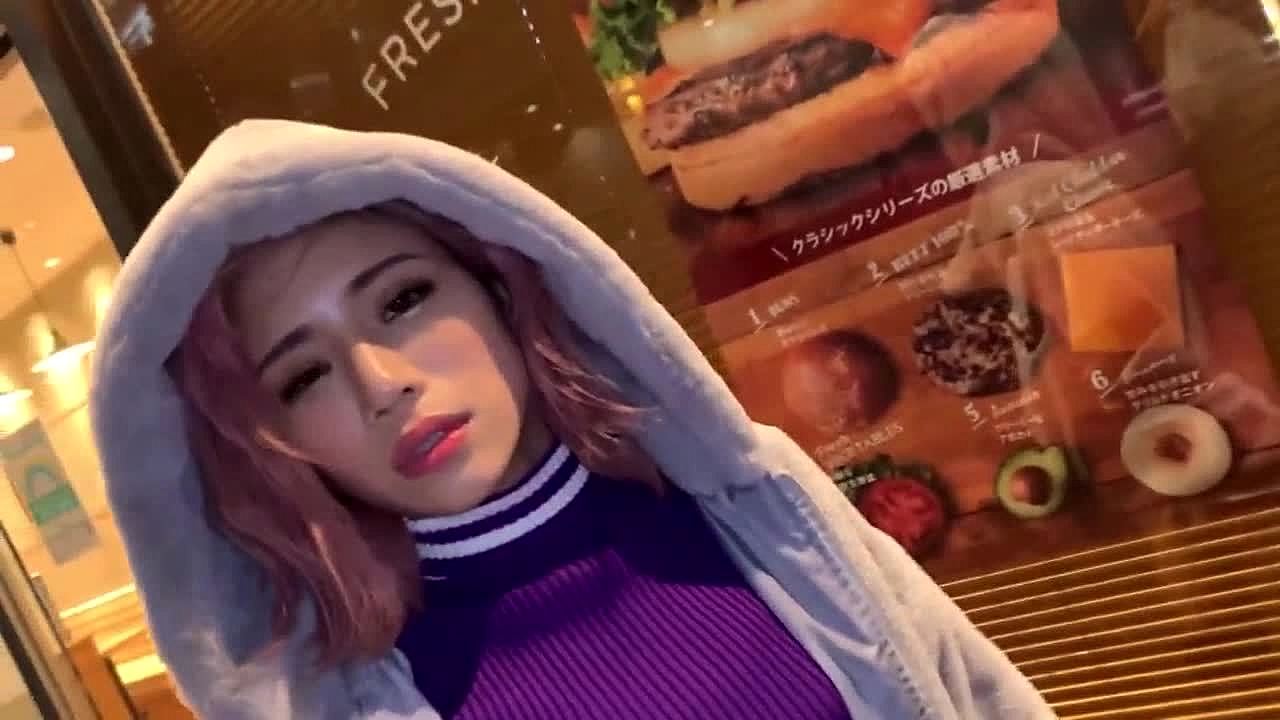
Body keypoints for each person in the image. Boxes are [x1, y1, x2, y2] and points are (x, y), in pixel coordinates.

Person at [89, 119, 1052, 719]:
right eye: (302, 377)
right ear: (277, 446)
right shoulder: (343, 698)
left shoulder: (755, 501)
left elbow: (985, 700)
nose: (381, 382)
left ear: (501, 288)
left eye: (403, 300)